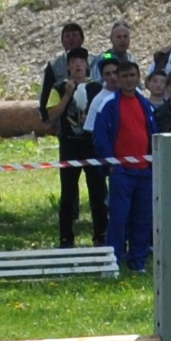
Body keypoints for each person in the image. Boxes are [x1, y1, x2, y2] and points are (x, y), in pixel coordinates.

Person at [89, 59, 157, 274]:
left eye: (132, 76)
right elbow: (100, 137)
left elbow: (152, 134)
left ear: (138, 78)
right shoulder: (109, 104)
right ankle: (113, 261)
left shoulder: (146, 104)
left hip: (145, 171)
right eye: (124, 76)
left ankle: (138, 261)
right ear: (117, 79)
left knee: (143, 218)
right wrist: (110, 164)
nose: (129, 80)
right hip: (121, 171)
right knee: (118, 218)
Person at [54, 48, 106, 248]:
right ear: (68, 66)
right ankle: (66, 238)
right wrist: (67, 96)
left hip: (92, 147)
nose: (78, 65)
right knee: (67, 194)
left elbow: (104, 117)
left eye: (81, 61)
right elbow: (51, 117)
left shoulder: (97, 89)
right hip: (69, 147)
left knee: (98, 193)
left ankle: (101, 235)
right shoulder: (58, 88)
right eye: (74, 61)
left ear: (87, 65)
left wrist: (90, 121)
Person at [38, 23, 88, 127]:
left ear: (82, 39)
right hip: (62, 117)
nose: (71, 39)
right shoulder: (54, 65)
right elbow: (46, 91)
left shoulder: (92, 60)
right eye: (67, 36)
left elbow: (107, 56)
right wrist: (45, 117)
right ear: (62, 41)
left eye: (75, 35)